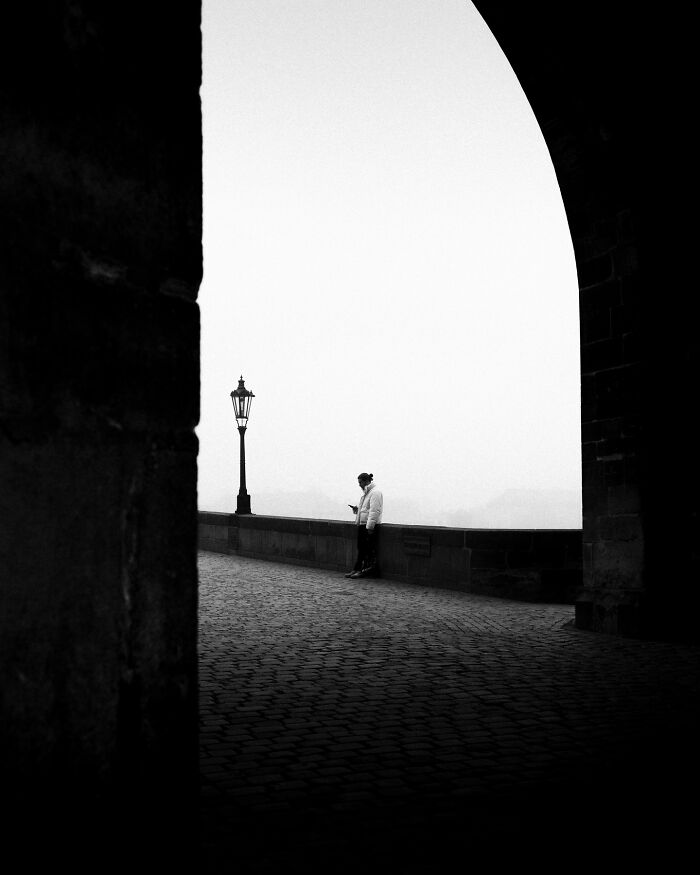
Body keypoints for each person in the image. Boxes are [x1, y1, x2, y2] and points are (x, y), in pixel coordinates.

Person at [345, 472, 383, 578]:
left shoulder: (375, 493)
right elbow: (366, 510)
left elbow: (375, 511)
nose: (359, 485)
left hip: (368, 526)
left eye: (360, 482)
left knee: (366, 549)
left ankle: (363, 570)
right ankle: (357, 569)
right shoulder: (366, 494)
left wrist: (370, 527)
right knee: (361, 548)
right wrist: (357, 510)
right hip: (363, 525)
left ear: (367, 481)